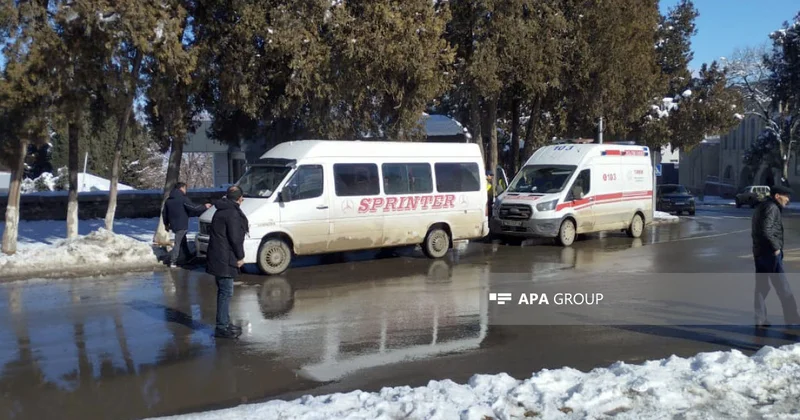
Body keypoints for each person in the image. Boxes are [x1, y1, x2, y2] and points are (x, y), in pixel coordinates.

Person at [751, 185, 800, 327]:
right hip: (770, 254)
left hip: (760, 252)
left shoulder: (762, 206)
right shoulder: (772, 208)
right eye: (786, 196)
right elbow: (766, 230)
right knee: (783, 287)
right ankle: (792, 317)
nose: (788, 199)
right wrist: (776, 247)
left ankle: (760, 319)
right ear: (777, 196)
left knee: (762, 287)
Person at [206, 186, 249, 339]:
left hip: (218, 255)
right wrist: (240, 256)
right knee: (225, 292)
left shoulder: (221, 210)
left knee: (223, 291)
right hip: (225, 257)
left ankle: (225, 322)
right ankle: (222, 327)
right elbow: (235, 238)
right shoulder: (232, 213)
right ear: (240, 198)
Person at [163, 182, 212, 268]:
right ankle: (173, 261)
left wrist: (166, 224)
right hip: (181, 224)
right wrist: (205, 206)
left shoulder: (168, 200)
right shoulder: (183, 199)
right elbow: (193, 207)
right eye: (185, 188)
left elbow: (165, 214)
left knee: (183, 240)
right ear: (181, 188)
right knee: (178, 243)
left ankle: (187, 257)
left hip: (174, 225)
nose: (186, 190)